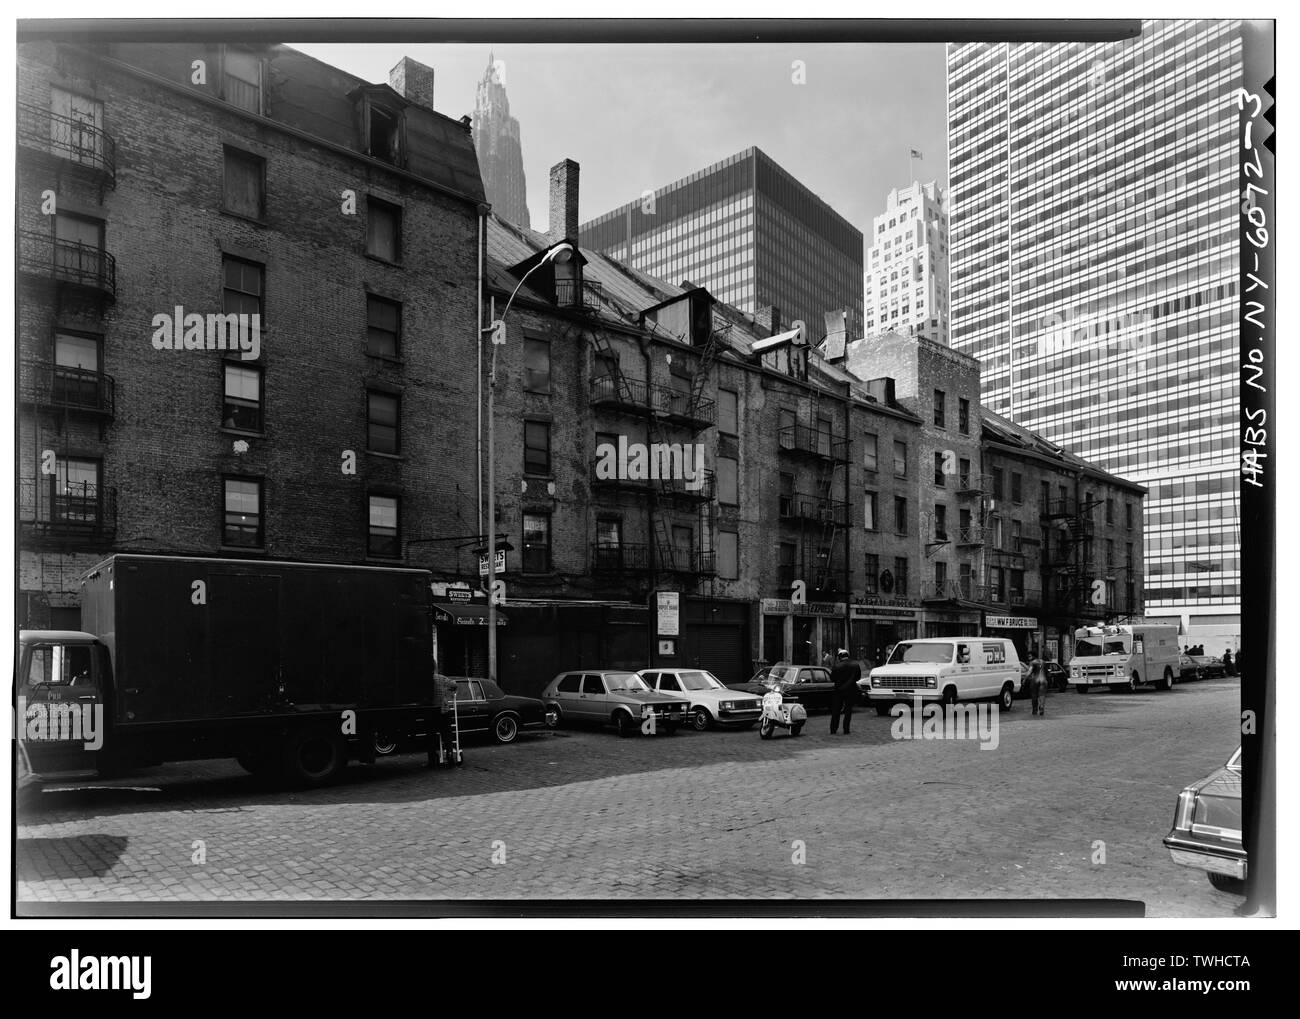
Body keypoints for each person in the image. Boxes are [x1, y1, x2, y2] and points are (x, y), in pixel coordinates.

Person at [425, 658, 461, 768]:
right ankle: (450, 757)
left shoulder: (425, 680)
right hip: (443, 710)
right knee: (447, 734)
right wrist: (451, 692)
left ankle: (432, 760)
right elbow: (454, 684)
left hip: (431, 711)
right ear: (436, 667)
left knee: (430, 736)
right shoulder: (442, 679)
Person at [829, 649, 861, 735]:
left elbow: (832, 679)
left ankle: (833, 729)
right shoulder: (855, 665)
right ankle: (846, 729)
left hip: (838, 691)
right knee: (848, 711)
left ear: (839, 657)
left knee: (836, 710)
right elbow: (858, 678)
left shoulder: (836, 666)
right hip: (850, 690)